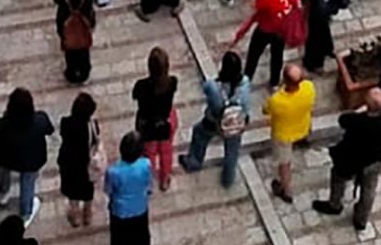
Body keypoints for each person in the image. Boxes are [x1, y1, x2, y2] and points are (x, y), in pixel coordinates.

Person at [313, 86, 381, 236]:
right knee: (368, 189)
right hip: (375, 159)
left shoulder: (359, 122)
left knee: (338, 178)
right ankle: (361, 219)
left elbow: (343, 120)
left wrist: (359, 112)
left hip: (352, 159)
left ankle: (335, 204)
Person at [180, 51, 251, 188]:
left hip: (214, 122)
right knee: (232, 151)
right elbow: (246, 105)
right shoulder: (245, 83)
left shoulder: (214, 86)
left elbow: (208, 93)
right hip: (236, 123)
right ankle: (228, 179)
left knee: (199, 134)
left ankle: (194, 162)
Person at [0, 89, 54, 226]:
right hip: (32, 160)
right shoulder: (40, 120)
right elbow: (50, 130)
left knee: (3, 171)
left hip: (7, 159)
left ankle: (3, 196)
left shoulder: (1, 125)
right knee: (28, 183)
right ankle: (26, 211)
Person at [233, 0, 304, 91]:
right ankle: (274, 82)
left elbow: (257, 4)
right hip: (281, 30)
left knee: (254, 54)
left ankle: (247, 78)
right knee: (277, 56)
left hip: (265, 29)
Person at [264, 60, 315, 203]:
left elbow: (266, 110)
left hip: (284, 135)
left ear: (284, 80)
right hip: (303, 126)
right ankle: (304, 141)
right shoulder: (309, 88)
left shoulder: (277, 100)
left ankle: (286, 190)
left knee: (284, 164)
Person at [103, 132, 153, 245]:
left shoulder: (113, 171)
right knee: (141, 237)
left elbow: (108, 189)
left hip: (120, 211)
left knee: (120, 240)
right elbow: (149, 184)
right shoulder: (146, 164)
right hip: (140, 207)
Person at [132, 47, 179, 191]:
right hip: (165, 121)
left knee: (149, 154)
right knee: (166, 151)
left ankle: (149, 182)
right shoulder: (172, 82)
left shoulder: (141, 86)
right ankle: (164, 179)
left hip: (147, 124)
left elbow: (135, 96)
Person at [57, 93, 100, 230]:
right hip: (86, 164)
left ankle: (75, 216)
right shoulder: (92, 125)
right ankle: (87, 214)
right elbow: (95, 141)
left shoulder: (66, 123)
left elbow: (63, 136)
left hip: (69, 163)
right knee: (88, 190)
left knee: (72, 191)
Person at [53, 0, 98, 85]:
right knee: (84, 49)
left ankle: (71, 73)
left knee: (70, 52)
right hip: (84, 25)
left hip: (67, 26)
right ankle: (84, 71)